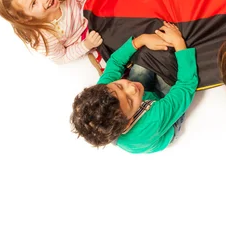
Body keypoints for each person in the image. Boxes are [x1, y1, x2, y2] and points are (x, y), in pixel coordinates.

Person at [71, 22, 197, 153]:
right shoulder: (152, 121)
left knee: (142, 62)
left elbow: (115, 62)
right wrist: (178, 41)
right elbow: (186, 85)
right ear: (129, 122)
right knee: (171, 73)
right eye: (129, 101)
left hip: (143, 107)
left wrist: (142, 40)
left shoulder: (105, 93)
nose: (131, 88)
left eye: (119, 85)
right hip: (162, 124)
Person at [0, 0, 104, 70]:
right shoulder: (43, 37)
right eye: (34, 3)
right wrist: (86, 45)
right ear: (26, 18)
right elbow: (62, 57)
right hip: (85, 38)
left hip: (93, 13)